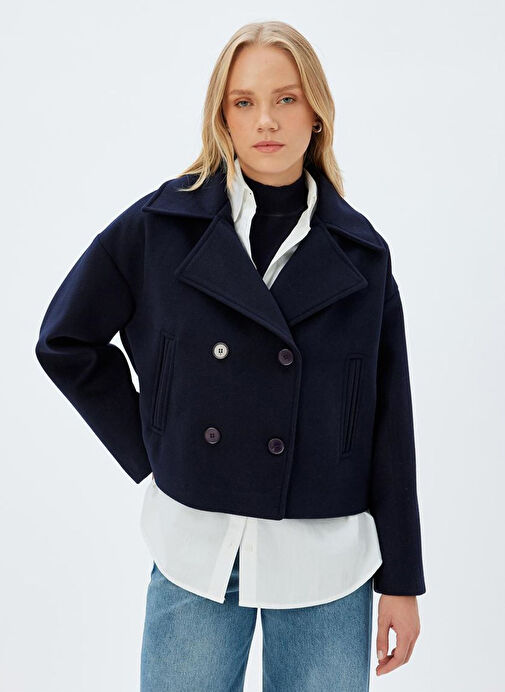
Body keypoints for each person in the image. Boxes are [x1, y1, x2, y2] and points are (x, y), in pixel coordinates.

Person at [35, 20, 426, 692]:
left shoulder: (361, 254)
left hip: (326, 563)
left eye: (286, 98)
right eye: (244, 102)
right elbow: (66, 341)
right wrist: (156, 451)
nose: (265, 120)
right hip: (198, 549)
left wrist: (402, 582)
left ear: (316, 111)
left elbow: (388, 423)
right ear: (222, 116)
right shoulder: (160, 227)